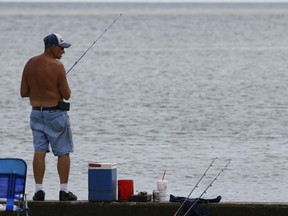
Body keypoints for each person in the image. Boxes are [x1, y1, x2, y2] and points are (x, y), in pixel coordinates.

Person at [20, 33, 77, 201]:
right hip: (55, 114)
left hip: (36, 113)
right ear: (52, 47)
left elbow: (23, 92)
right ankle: (64, 191)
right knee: (64, 152)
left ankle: (38, 191)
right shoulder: (58, 66)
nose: (63, 52)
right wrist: (55, 88)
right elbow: (67, 95)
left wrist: (40, 89)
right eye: (61, 48)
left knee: (39, 150)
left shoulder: (30, 63)